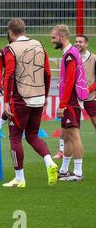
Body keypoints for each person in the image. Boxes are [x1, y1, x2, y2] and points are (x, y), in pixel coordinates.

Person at [2, 18, 57, 188]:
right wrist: (45, 96)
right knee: (33, 135)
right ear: (24, 30)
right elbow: (47, 73)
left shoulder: (11, 49)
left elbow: (9, 75)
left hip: (21, 99)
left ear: (11, 32)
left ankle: (19, 178)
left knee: (15, 137)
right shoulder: (39, 45)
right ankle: (50, 163)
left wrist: (6, 101)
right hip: (39, 97)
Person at [51, 25, 88, 181]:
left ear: (63, 37)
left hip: (71, 101)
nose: (52, 40)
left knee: (74, 136)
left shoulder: (70, 56)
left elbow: (71, 80)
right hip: (69, 100)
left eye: (54, 38)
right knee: (66, 136)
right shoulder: (69, 53)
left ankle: (78, 173)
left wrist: (62, 105)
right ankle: (65, 169)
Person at [53, 34, 96, 159]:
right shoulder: (73, 56)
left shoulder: (93, 58)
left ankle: (75, 169)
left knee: (94, 121)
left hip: (89, 97)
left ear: (86, 44)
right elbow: (68, 77)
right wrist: (61, 84)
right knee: (66, 126)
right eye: (76, 41)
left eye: (81, 42)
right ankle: (61, 150)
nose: (77, 43)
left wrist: (88, 90)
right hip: (73, 98)